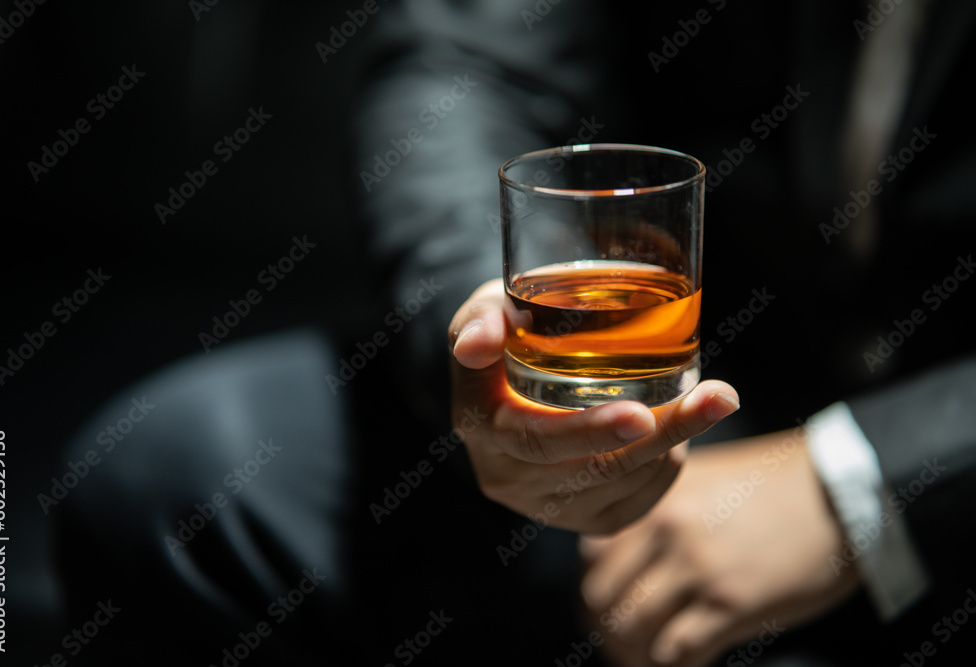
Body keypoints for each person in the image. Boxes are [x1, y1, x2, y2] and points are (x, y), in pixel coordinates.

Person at [354, 0, 976, 665]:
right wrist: (486, 309)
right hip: (694, 403)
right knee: (234, 439)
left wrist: (865, 480)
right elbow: (465, 63)